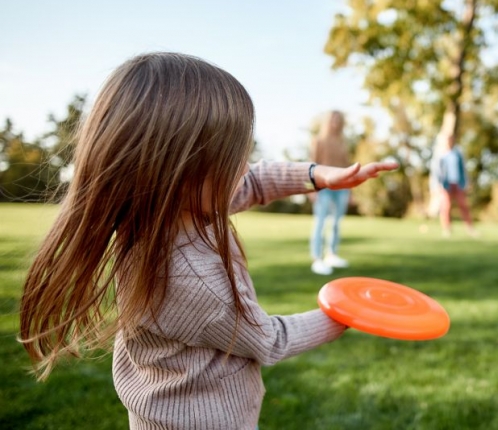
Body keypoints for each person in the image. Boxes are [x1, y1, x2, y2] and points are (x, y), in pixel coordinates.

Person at [17, 52, 398, 430]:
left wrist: (317, 174)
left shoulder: (162, 209)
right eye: (233, 159)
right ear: (183, 169)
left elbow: (254, 181)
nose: (244, 169)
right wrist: (344, 314)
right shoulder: (190, 278)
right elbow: (269, 340)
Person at [308, 110, 352, 275]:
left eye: (338, 119)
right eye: (333, 119)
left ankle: (331, 254)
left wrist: (350, 191)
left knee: (335, 222)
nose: (335, 122)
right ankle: (316, 259)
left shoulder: (342, 142)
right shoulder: (318, 141)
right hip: (323, 187)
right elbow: (311, 165)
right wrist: (311, 189)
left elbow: (347, 167)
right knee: (320, 222)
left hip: (341, 188)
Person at [432, 130, 477, 237]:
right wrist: (437, 185)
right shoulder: (441, 155)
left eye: (451, 140)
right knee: (446, 207)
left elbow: (463, 169)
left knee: (463, 205)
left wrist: (466, 182)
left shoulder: (458, 154)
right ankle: (447, 229)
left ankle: (469, 228)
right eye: (448, 140)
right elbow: (437, 171)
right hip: (446, 184)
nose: (449, 142)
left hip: (458, 183)